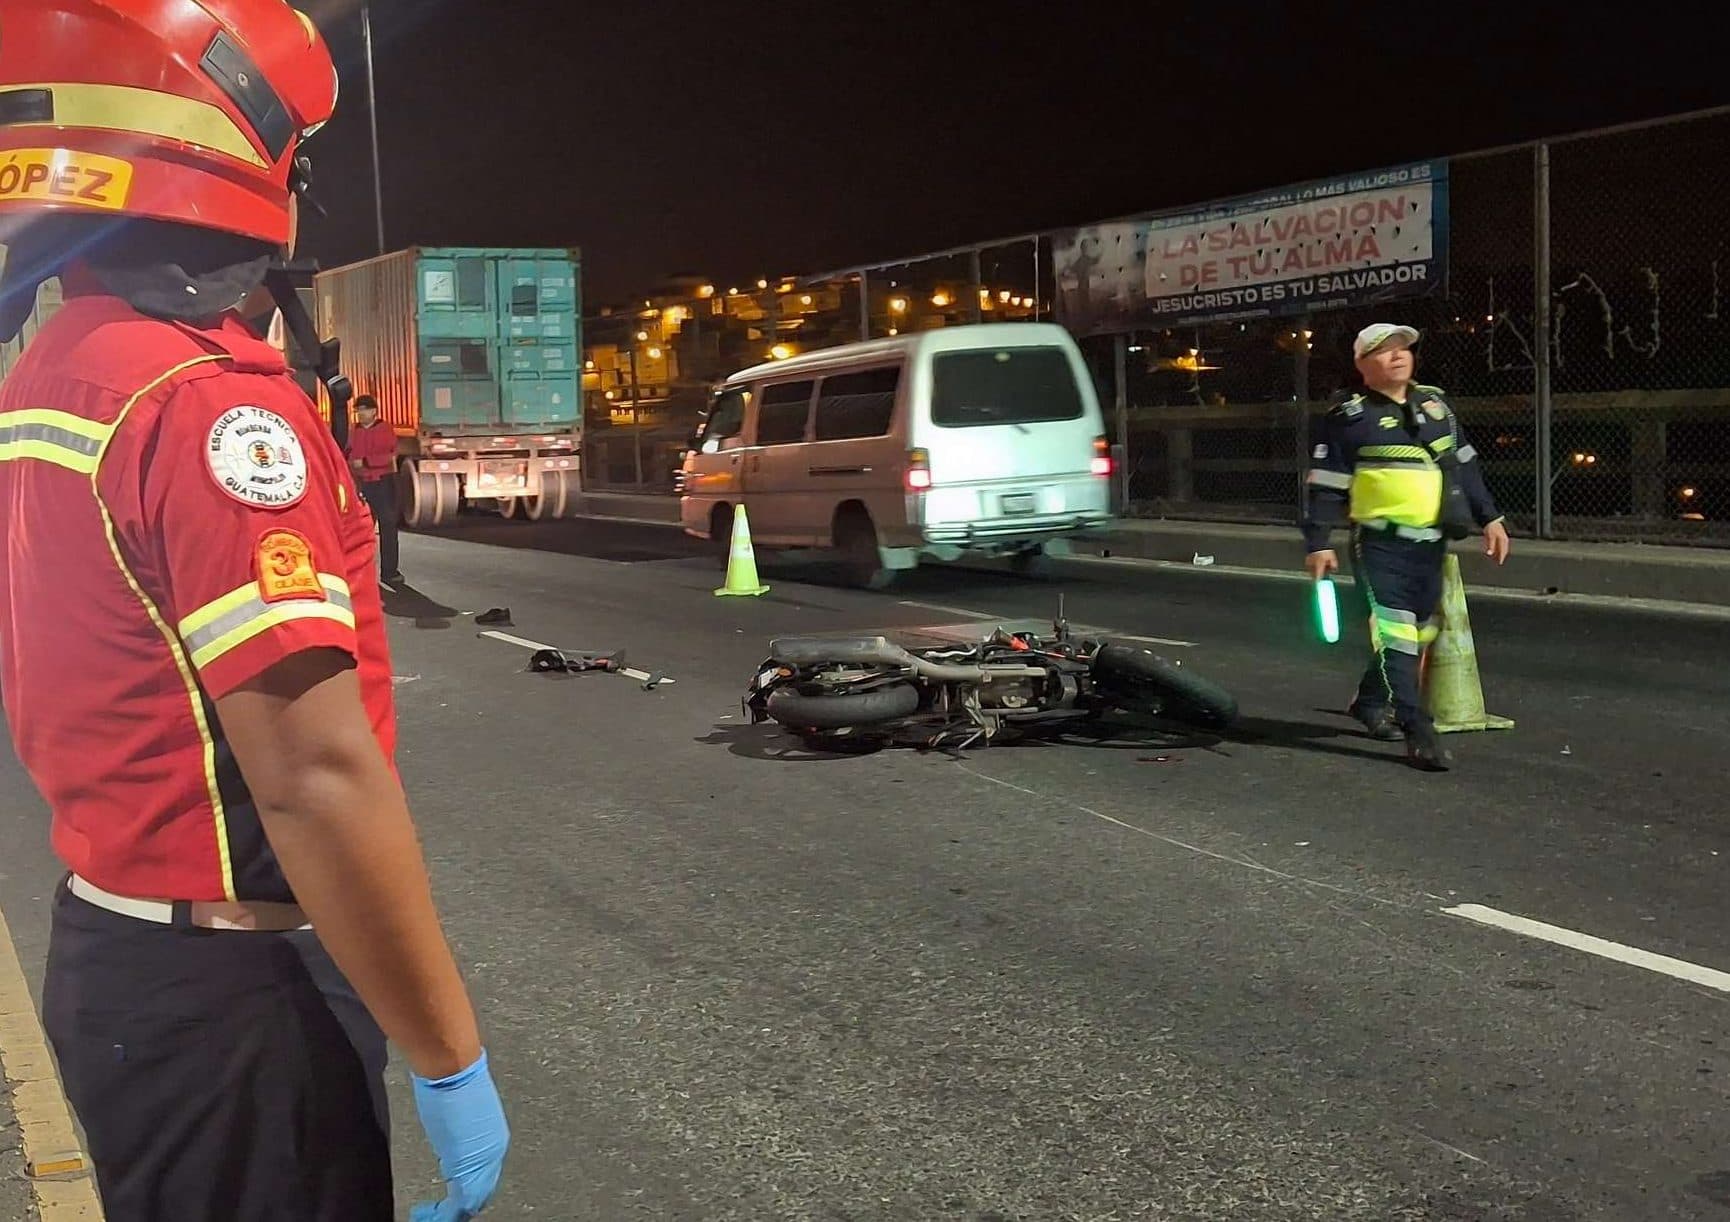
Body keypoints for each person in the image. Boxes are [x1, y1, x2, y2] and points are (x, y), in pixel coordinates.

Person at [0, 3, 508, 1219]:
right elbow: (315, 777)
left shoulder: (61, 366)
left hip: (121, 956)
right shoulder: (209, 406)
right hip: (234, 997)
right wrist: (450, 1058)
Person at [1301, 323, 1512, 772]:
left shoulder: (1436, 408)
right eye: (1382, 351)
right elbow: (1325, 487)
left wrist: (1490, 518)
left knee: (1418, 633)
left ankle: (1370, 702)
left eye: (1403, 348)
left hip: (1431, 546)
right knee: (1396, 633)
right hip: (1379, 546)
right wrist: (1319, 542)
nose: (1397, 356)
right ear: (1362, 366)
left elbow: (1465, 466)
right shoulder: (1349, 418)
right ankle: (1419, 730)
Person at [347, 393, 404, 584]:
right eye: (358, 411)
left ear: (374, 411)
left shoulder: (384, 429)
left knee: (388, 527)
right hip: (362, 485)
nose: (361, 414)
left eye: (364, 410)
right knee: (361, 531)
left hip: (383, 483)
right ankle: (361, 573)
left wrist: (365, 462)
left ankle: (389, 572)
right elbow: (347, 455)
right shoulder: (353, 431)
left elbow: (389, 456)